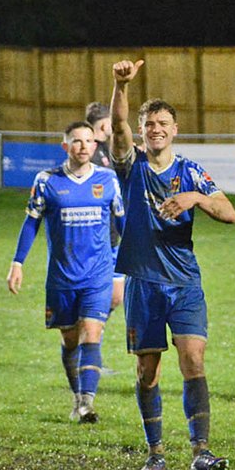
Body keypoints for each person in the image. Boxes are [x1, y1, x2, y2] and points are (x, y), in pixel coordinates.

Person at [109, 59, 235, 470]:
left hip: (184, 282)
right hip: (143, 282)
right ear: (143, 130)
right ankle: (156, 453)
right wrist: (121, 88)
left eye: (163, 122)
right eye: (149, 124)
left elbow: (229, 212)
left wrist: (195, 199)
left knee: (193, 359)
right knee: (148, 369)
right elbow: (117, 128)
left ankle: (201, 450)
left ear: (175, 129)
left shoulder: (191, 172)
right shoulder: (133, 167)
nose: (156, 129)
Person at [6, 121, 125, 423]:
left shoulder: (108, 180)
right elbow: (31, 222)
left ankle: (87, 403)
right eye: (76, 141)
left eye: (88, 141)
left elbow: (124, 225)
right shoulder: (47, 181)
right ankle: (77, 397)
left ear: (95, 146)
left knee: (92, 334)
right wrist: (18, 262)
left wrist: (137, 259)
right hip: (61, 277)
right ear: (65, 147)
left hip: (98, 274)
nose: (84, 146)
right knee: (70, 340)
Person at [86, 101, 126, 326]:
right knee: (95, 299)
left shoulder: (108, 151)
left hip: (114, 237)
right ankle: (85, 351)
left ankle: (89, 344)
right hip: (97, 240)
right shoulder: (89, 155)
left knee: (115, 296)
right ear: (103, 125)